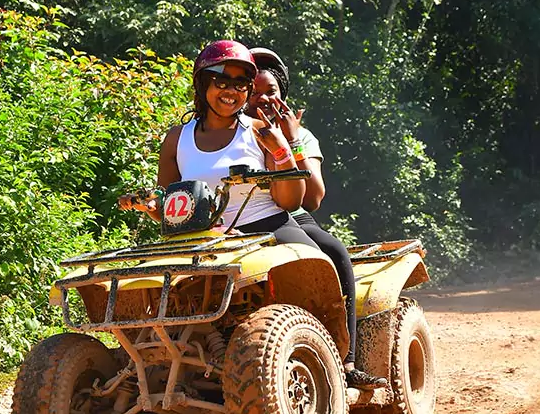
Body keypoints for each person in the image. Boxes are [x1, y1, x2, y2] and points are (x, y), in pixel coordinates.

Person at [245, 47, 387, 390]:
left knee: (334, 253)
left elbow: (314, 197)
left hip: (291, 216)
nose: (262, 99)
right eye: (254, 92)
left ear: (283, 96)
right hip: (241, 220)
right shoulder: (236, 133)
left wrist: (291, 139)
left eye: (271, 92)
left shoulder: (301, 135)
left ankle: (347, 360)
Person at [119, 39, 320, 250]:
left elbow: (290, 203)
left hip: (270, 228)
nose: (231, 91)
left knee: (316, 265)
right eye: (222, 82)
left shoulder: (261, 130)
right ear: (202, 83)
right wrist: (148, 204)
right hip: (203, 239)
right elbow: (169, 210)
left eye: (241, 84)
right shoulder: (176, 138)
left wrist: (282, 152)